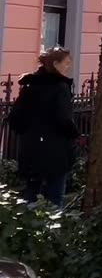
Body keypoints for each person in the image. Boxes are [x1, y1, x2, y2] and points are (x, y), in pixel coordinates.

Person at [10, 47, 78, 207]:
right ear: (55, 64)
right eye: (67, 63)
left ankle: (28, 228)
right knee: (55, 197)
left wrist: (30, 134)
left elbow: (14, 118)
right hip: (56, 150)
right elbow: (64, 119)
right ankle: (51, 230)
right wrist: (75, 135)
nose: (69, 67)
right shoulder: (60, 87)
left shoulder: (30, 86)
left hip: (31, 149)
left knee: (31, 194)